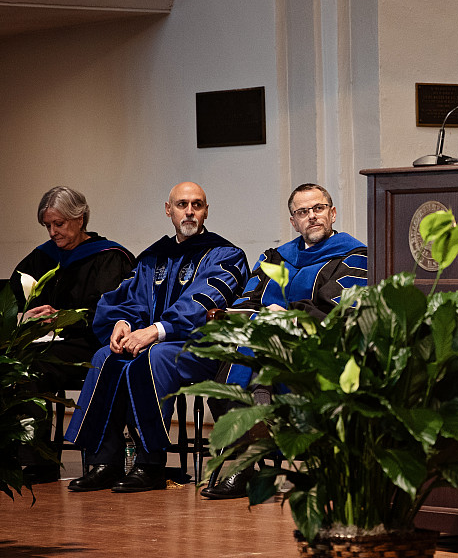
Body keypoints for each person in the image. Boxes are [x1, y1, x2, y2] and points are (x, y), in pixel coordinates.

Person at [64, 182, 249, 493]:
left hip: (202, 348)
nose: (189, 211)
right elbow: (130, 299)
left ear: (206, 211)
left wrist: (156, 331)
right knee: (105, 357)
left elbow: (204, 301)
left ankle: (150, 463)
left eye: (197, 204)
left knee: (155, 357)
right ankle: (104, 462)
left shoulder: (225, 255)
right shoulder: (152, 258)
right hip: (154, 344)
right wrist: (123, 322)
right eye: (181, 204)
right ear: (168, 210)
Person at [201, 183, 367, 500]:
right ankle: (254, 438)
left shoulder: (354, 256)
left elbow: (341, 312)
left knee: (251, 362)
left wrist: (288, 315)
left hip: (317, 347)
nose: (312, 216)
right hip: (267, 343)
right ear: (293, 221)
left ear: (332, 213)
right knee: (238, 353)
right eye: (302, 212)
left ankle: (247, 459)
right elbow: (246, 302)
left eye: (318, 209)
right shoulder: (276, 257)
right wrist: (264, 317)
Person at [11, 186, 135, 483]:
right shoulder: (41, 257)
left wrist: (64, 318)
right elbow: (12, 297)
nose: (53, 232)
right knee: (14, 364)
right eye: (48, 226)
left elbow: (113, 312)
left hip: (88, 342)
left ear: (79, 219)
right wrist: (23, 317)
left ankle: (41, 462)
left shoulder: (109, 257)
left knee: (32, 367)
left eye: (59, 224)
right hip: (44, 342)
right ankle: (24, 457)